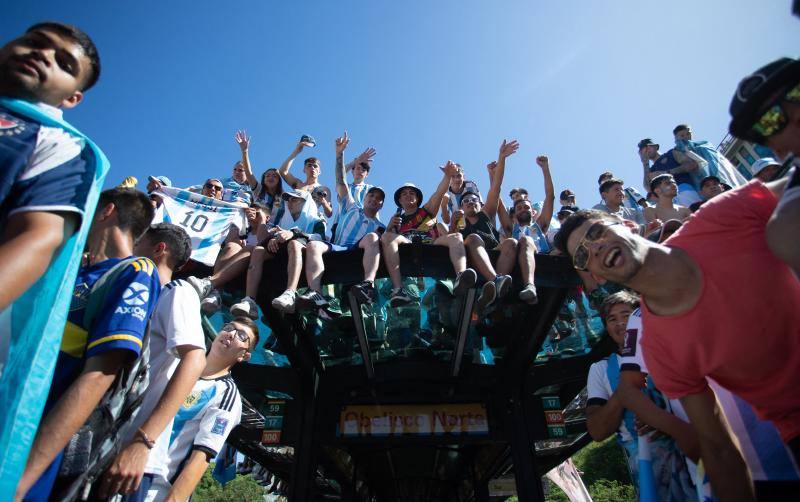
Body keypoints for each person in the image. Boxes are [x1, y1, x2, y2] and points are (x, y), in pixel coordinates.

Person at [553, 172, 800, 501]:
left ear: (626, 224)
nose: (595, 248)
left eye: (596, 232)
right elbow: (720, 451)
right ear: (595, 274)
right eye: (583, 255)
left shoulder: (720, 218)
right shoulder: (657, 347)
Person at [17, 188, 160, 500]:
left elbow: (100, 373)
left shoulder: (135, 272)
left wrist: (26, 475)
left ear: (106, 211)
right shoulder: (70, 269)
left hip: (28, 442)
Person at [97, 223, 206, 499]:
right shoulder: (134, 294)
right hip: (101, 445)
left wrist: (143, 442)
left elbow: (194, 358)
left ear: (159, 250)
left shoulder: (177, 292)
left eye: (139, 244)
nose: (132, 250)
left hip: (130, 457)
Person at [0, 22, 101, 314]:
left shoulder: (61, 146)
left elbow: (36, 238)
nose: (43, 54)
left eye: (64, 63)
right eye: (35, 41)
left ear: (72, 97)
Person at [125, 318, 258, 501]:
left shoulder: (226, 395)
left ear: (244, 355)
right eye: (228, 327)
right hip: (118, 464)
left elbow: (201, 457)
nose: (231, 334)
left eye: (242, 336)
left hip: (152, 489)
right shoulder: (175, 364)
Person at [586, 291, 697, 501]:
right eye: (612, 319)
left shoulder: (669, 352)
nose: (620, 323)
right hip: (649, 472)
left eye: (626, 315)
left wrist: (659, 417)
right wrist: (627, 389)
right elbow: (597, 431)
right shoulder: (600, 370)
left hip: (694, 453)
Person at [296, 132, 385, 312]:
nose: (374, 199)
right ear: (365, 197)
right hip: (339, 245)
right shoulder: (352, 206)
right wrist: (339, 154)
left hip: (358, 248)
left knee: (373, 239)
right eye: (371, 196)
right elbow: (340, 179)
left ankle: (367, 286)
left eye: (379, 198)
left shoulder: (380, 227)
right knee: (314, 245)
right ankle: (316, 293)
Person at [728, 57, 800, 279]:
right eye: (771, 119)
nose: (796, 112)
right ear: (775, 149)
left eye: (796, 93)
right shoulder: (790, 224)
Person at [451, 140, 538, 307]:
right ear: (461, 206)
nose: (470, 202)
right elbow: (453, 241)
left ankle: (494, 290)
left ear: (481, 203)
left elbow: (496, 186)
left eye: (474, 200)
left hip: (495, 253)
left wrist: (502, 158)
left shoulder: (486, 214)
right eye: (466, 201)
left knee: (511, 242)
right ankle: (495, 281)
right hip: (473, 260)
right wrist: (453, 225)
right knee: (473, 238)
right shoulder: (460, 225)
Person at [381, 162, 476, 306]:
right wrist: (389, 229)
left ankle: (461, 277)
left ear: (418, 198)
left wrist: (447, 175)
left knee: (456, 236)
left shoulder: (427, 211)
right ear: (399, 200)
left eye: (412, 193)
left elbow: (439, 193)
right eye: (404, 194)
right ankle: (398, 289)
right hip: (408, 248)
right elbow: (386, 243)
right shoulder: (396, 220)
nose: (408, 195)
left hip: (431, 245)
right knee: (387, 237)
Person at [230, 189, 324, 317]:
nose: (290, 202)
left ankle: (290, 293)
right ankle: (249, 300)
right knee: (258, 250)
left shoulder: (316, 221)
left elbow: (319, 238)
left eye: (295, 199)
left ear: (305, 202)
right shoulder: (282, 222)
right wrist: (272, 239)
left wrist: (293, 233)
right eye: (288, 199)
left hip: (302, 253)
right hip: (281, 255)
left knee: (294, 244)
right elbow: (266, 240)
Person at [498, 156, 555, 255]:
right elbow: (498, 202)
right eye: (519, 208)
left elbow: (550, 196)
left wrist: (545, 168)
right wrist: (493, 176)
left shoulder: (540, 226)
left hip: (542, 261)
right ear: (514, 215)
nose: (523, 209)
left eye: (527, 207)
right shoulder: (511, 231)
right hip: (517, 265)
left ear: (533, 212)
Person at [277, 138, 333, 218]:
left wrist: (323, 202)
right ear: (304, 170)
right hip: (291, 219)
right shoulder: (298, 184)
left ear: (319, 171)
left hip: (309, 220)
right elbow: (283, 171)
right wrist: (297, 151)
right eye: (309, 165)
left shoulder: (324, 189)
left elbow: (329, 213)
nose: (312, 168)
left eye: (315, 166)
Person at [638, 138, 702, 206]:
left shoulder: (671, 153)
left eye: (648, 147)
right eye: (643, 150)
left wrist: (666, 172)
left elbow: (692, 165)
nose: (646, 150)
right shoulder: (651, 170)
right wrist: (645, 163)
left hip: (685, 190)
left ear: (656, 147)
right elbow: (649, 189)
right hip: (669, 200)